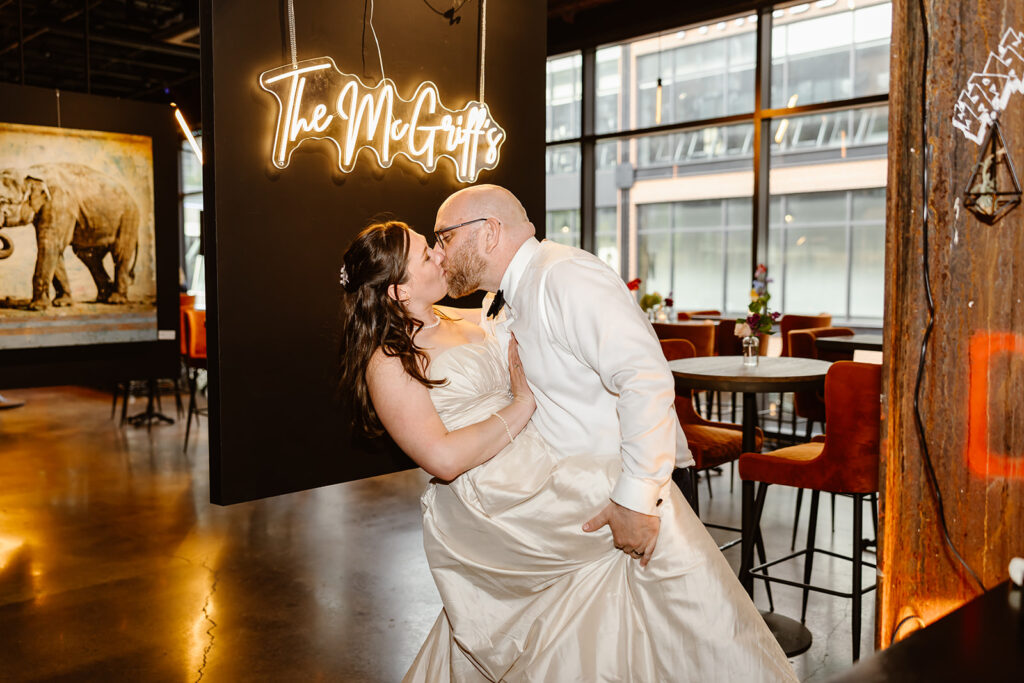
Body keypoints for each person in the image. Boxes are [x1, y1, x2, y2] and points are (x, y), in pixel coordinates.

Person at [337, 217, 796, 682]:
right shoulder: (388, 359)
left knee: (631, 516)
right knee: (636, 504)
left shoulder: (465, 314)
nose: (440, 254)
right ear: (397, 290)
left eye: (437, 243)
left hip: (539, 462)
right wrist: (521, 405)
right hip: (490, 492)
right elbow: (443, 458)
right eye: (425, 253)